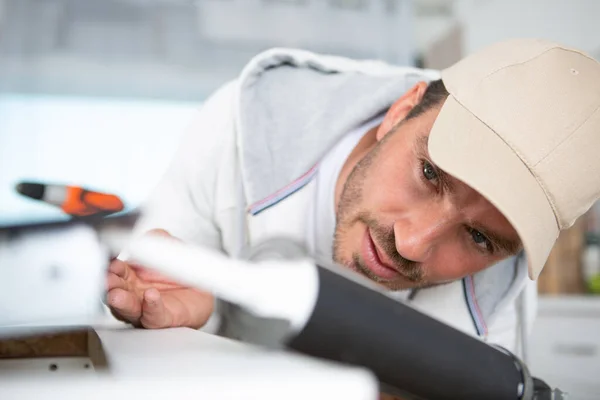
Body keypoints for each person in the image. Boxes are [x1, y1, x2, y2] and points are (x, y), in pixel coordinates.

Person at [106, 39, 600, 355]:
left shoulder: (498, 303)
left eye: (477, 237)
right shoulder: (237, 131)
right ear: (401, 108)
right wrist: (211, 313)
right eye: (429, 173)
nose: (410, 244)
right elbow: (136, 309)